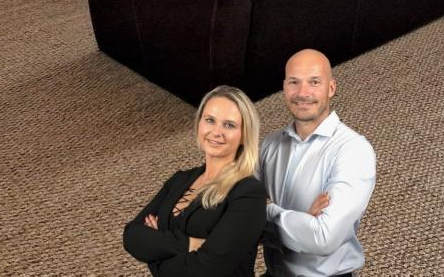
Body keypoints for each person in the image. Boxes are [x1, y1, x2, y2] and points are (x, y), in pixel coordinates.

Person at [124, 85, 269, 276]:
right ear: (199, 123)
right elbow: (132, 236)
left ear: (244, 135)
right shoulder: (180, 179)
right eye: (210, 120)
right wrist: (190, 244)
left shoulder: (249, 193)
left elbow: (208, 269)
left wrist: (156, 258)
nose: (216, 132)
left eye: (229, 125)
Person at [255, 50, 375, 277]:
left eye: (314, 82)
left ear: (331, 88)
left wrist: (267, 213)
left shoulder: (353, 150)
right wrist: (303, 220)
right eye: (294, 82)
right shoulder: (271, 145)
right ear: (284, 87)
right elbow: (234, 212)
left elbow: (323, 238)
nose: (303, 93)